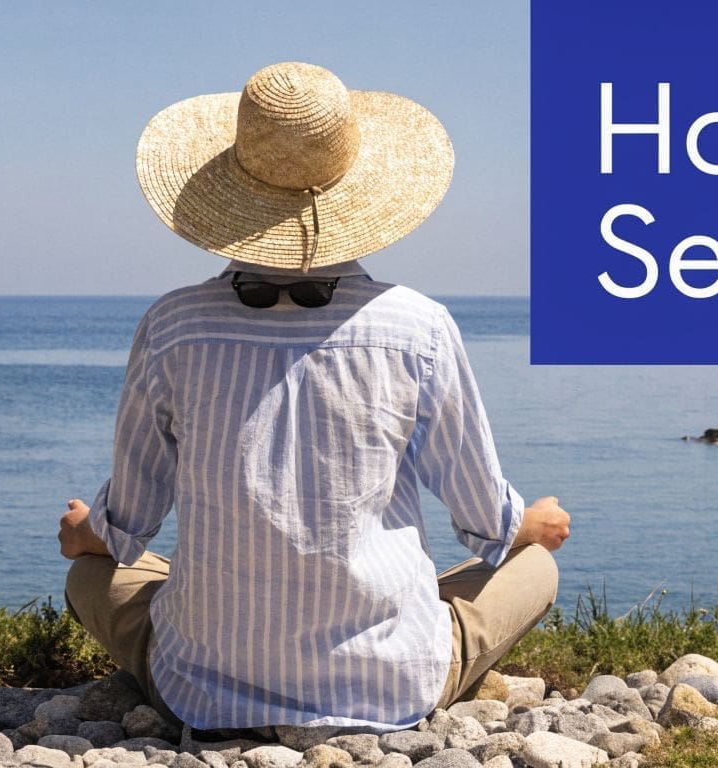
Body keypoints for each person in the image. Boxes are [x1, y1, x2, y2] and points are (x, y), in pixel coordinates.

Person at [56, 61, 570, 732]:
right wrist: (531, 524)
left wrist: (82, 535)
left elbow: (128, 524)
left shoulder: (172, 326)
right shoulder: (418, 327)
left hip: (203, 691)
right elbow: (484, 520)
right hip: (390, 690)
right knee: (534, 568)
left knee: (90, 577)